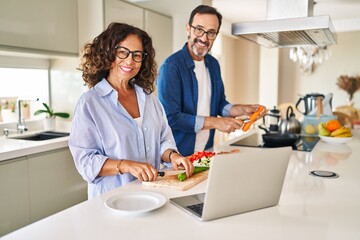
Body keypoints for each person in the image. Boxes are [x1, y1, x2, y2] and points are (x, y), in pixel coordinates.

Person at [69, 22, 193, 199]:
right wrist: (126, 165)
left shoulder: (150, 100)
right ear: (108, 52)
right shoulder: (90, 103)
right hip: (111, 201)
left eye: (137, 55)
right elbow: (86, 162)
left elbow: (163, 139)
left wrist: (173, 156)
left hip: (153, 195)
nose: (129, 61)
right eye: (122, 52)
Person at [157, 5, 266, 156]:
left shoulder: (213, 64)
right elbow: (171, 117)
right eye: (199, 29)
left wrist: (243, 109)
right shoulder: (171, 67)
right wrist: (216, 122)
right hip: (178, 157)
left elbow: (219, 104)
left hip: (205, 152)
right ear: (188, 29)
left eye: (211, 32)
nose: (204, 38)